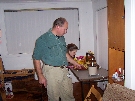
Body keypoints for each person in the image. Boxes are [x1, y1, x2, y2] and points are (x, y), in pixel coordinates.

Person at [32, 17, 81, 101]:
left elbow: (65, 54)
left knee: (68, 95)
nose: (66, 32)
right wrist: (40, 75)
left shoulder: (61, 38)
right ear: (57, 26)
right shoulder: (42, 39)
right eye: (65, 29)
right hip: (51, 72)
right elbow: (36, 58)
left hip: (64, 70)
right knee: (54, 97)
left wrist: (75, 63)